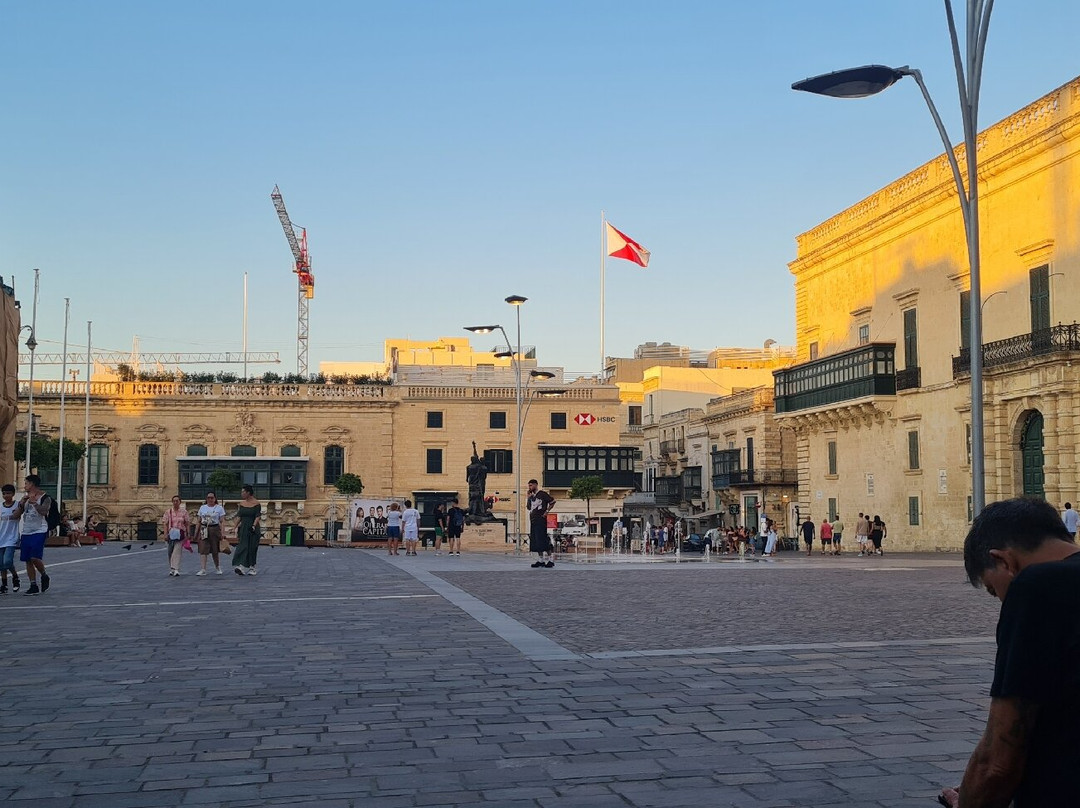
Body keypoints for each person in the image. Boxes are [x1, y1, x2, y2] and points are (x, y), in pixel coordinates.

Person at [938, 497, 1080, 808]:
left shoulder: (1039, 587)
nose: (1003, 601)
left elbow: (998, 763)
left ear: (1003, 561)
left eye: (994, 590)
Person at [13, 474, 52, 595]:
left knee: (35, 557)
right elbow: (16, 514)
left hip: (39, 530)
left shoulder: (45, 498)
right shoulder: (25, 498)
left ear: (32, 484)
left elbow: (44, 511)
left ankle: (44, 575)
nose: (25, 486)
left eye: (26, 483)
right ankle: (33, 584)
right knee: (28, 559)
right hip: (26, 531)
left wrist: (34, 503)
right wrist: (21, 504)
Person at [233, 485, 262, 576]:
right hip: (243, 528)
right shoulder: (242, 504)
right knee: (242, 546)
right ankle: (240, 566)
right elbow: (239, 516)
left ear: (248, 493)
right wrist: (234, 527)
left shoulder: (256, 503)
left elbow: (257, 516)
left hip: (252, 528)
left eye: (243, 492)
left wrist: (253, 525)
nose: (241, 494)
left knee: (252, 547)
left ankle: (252, 567)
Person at [526, 479, 555, 568]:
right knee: (536, 540)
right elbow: (529, 507)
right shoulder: (532, 496)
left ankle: (550, 559)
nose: (530, 487)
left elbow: (552, 502)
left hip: (540, 520)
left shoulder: (542, 494)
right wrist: (528, 498)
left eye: (531, 485)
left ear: (536, 485)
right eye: (529, 485)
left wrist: (546, 511)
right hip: (533, 520)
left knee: (542, 539)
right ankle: (541, 560)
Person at [196, 491, 226, 576]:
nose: (210, 499)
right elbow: (199, 520)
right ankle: (203, 569)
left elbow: (222, 521)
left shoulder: (219, 508)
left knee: (215, 549)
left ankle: (217, 567)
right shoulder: (202, 507)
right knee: (203, 549)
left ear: (215, 499)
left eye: (212, 498)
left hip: (214, 528)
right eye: (208, 498)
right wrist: (196, 532)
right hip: (204, 528)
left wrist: (222, 533)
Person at [162, 495, 191, 577]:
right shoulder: (168, 512)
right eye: (174, 501)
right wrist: (165, 534)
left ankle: (176, 569)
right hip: (171, 533)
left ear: (180, 502)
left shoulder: (184, 512)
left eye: (177, 501)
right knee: (170, 551)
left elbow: (187, 523)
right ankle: (172, 568)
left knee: (177, 551)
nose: (175, 502)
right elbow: (165, 523)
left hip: (180, 533)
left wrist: (188, 533)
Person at [0, 484, 21, 593]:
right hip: (1, 538)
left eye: (8, 493)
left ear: (13, 494)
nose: (6, 495)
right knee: (1, 564)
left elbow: (19, 514)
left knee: (7, 561)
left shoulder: (18, 505)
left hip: (11, 538)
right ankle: (4, 584)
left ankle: (15, 576)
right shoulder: (0, 507)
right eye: (4, 493)